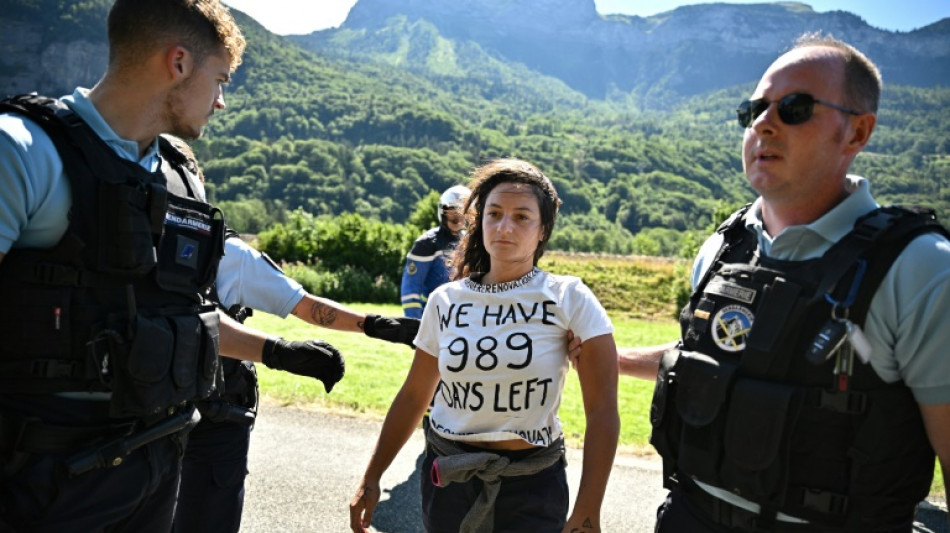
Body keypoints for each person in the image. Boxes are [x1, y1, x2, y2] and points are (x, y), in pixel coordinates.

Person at [613, 33, 950, 532]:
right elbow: (717, 358)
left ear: (857, 133)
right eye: (754, 110)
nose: (764, 124)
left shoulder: (920, 269)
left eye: (794, 107)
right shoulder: (722, 247)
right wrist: (603, 355)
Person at [0, 0, 247, 530]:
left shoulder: (181, 176)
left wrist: (275, 350)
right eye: (220, 80)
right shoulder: (21, 151)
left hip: (157, 466)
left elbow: (176, 313)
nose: (221, 102)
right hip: (46, 477)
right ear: (178, 63)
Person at [350, 158, 620, 533]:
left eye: (522, 217)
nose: (505, 227)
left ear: (543, 230)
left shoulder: (569, 296)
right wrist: (372, 475)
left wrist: (589, 508)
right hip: (450, 484)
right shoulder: (445, 300)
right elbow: (414, 395)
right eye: (494, 213)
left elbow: (603, 407)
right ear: (480, 222)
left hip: (534, 487)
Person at [175, 232, 419, 533]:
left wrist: (374, 326)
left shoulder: (124, 241)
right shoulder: (227, 251)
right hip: (214, 422)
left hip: (137, 414)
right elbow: (304, 305)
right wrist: (371, 325)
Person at [400, 185, 471, 318]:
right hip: (434, 317)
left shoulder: (469, 242)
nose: (457, 218)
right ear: (442, 212)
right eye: (452, 212)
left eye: (461, 212)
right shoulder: (427, 243)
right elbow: (410, 290)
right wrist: (415, 325)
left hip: (464, 318)